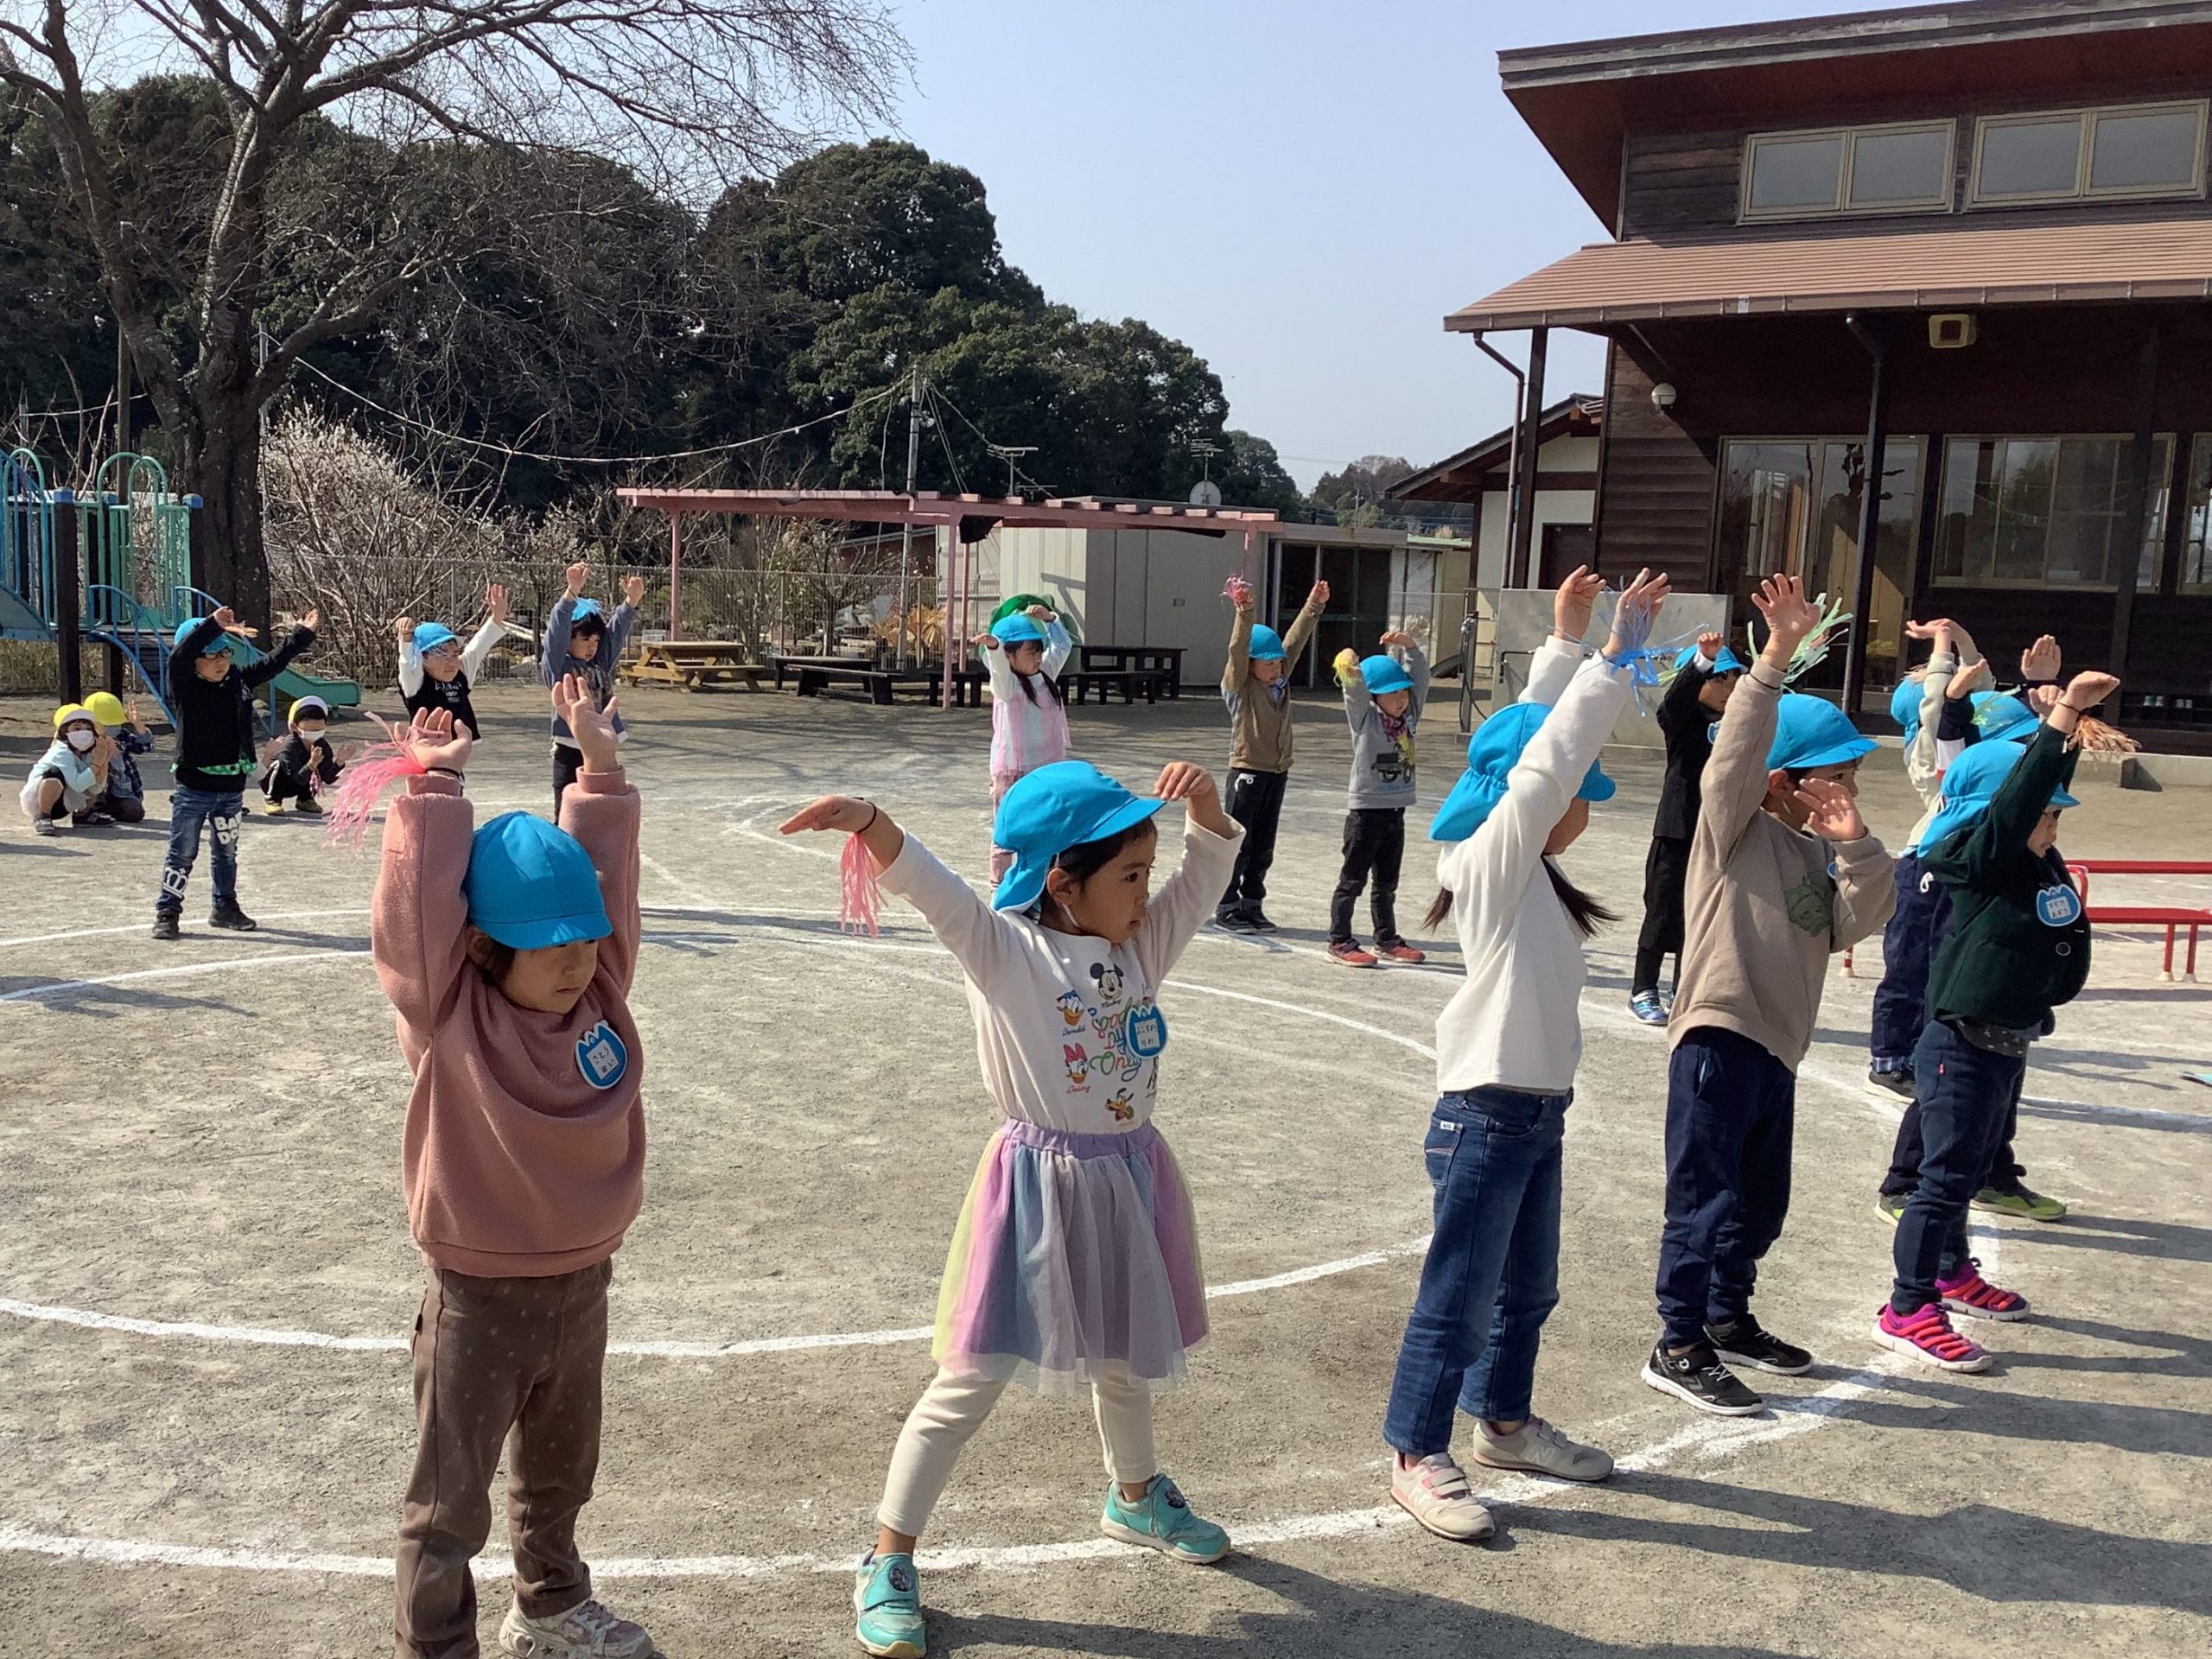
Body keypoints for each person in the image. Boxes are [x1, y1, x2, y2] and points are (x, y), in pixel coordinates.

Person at [780, 758, 1243, 1659]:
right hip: (1038, 1189)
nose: (1146, 894)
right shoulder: (1005, 950)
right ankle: (888, 1557)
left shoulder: (1136, 947)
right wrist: (869, 820)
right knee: (972, 1375)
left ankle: (1135, 1496)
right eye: (1130, 875)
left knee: (1124, 1356)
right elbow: (934, 889)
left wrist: (1205, 806)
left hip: (1128, 1178)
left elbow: (1204, 878)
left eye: (1147, 873)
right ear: (1062, 884)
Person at [365, 683, 655, 1659]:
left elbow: (608, 889)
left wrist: (599, 772)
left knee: (562, 1475)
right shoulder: (451, 1016)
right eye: (546, 944)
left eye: (583, 938)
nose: (575, 960)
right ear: (486, 946)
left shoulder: (600, 995)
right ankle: (436, 1646)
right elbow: (414, 922)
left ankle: (551, 1605)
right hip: (479, 1297)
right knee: (450, 1502)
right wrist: (434, 793)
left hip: (583, 1281)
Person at [1381, 565, 1667, 1543]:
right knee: (1458, 1300)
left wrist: (1564, 642)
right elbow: (1540, 763)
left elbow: (1524, 746)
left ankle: (1502, 1424)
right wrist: (1612, 662)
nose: (1585, 807)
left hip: (1538, 1111)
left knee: (1526, 1290)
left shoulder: (1524, 868)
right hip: (1486, 1113)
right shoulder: (1492, 863)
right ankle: (1416, 1454)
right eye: (1583, 795)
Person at [1643, 574, 1894, 1417]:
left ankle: (1726, 1316)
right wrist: (1775, 657)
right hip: (1720, 1036)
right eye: (1836, 775)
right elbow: (1735, 759)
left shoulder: (1814, 850)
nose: (1847, 788)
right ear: (1783, 780)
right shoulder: (1734, 829)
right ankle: (1677, 1341)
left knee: (1759, 1205)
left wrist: (1857, 847)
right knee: (1703, 1200)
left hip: (1777, 1048)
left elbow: (1848, 925)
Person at [1876, 669, 2113, 1373]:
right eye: (2045, 815)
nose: (2052, 824)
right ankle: (1908, 1305)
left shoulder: (2036, 862)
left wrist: (2065, 733)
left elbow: (2033, 794)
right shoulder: (1981, 860)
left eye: (2057, 816)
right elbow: (2015, 803)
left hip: (2008, 1040)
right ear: (1993, 817)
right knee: (1943, 1181)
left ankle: (1953, 1272)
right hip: (1960, 1043)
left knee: (1975, 1167)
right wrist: (2063, 715)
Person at [1872, 630, 2068, 1224]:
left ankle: (1994, 1173)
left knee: (2003, 1076)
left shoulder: (2026, 831)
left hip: (2009, 990)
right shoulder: (1969, 820)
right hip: (1963, 992)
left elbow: (2044, 771)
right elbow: (1949, 729)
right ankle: (1907, 1182)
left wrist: (2046, 698)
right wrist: (1952, 679)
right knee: (1951, 1071)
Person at [154, 604, 318, 941]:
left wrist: (300, 636)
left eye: (225, 653)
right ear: (194, 659)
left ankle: (224, 906)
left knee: (226, 852)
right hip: (193, 787)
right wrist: (212, 625)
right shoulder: (184, 683)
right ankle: (167, 912)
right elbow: (178, 658)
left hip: (231, 788)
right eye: (211, 655)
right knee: (182, 852)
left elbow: (272, 663)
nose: (221, 661)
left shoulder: (238, 681)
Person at [1630, 631, 1746, 1023]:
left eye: (1733, 678)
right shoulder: (1682, 720)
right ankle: (1643, 988)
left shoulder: (1737, 723)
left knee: (1699, 914)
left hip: (1715, 833)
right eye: (1719, 678)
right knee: (1661, 909)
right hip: (1677, 830)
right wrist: (1702, 662)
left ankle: (1684, 988)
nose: (1729, 686)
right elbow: (1673, 704)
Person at [1214, 575, 1327, 931]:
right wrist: (1245, 611)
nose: (1276, 667)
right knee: (1240, 842)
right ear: (1250, 664)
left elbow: (1295, 641)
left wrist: (1314, 606)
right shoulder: (1239, 686)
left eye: (1278, 662)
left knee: (1263, 845)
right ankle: (1227, 906)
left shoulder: (1280, 681)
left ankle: (1253, 903)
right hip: (1248, 770)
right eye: (1267, 663)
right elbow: (1237, 648)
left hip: (1277, 771)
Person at [1328, 626, 1431, 968]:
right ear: (1374, 697)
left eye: (1402, 691)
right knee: (1353, 880)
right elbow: (1354, 693)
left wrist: (1410, 646)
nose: (1400, 698)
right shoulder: (1366, 720)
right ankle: (1339, 939)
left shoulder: (1410, 718)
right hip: (1366, 813)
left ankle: (1386, 938)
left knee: (1387, 883)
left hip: (1395, 812)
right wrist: (1349, 666)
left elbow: (1421, 678)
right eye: (1391, 693)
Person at [970, 603, 1074, 884]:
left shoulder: (1045, 674)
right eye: (1030, 652)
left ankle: (1042, 886)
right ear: (1009, 655)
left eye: (1038, 651)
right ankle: (1000, 888)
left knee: (1047, 831)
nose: (1038, 657)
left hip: (1046, 771)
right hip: (1013, 773)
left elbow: (1062, 647)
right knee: (1007, 834)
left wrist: (1050, 620)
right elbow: (999, 671)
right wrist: (994, 647)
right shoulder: (1007, 687)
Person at [542, 562, 641, 813]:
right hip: (569, 748)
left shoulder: (599, 664)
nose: (592, 646)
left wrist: (630, 603)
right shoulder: (559, 665)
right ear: (569, 639)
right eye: (585, 638)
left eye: (595, 639)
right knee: (566, 812)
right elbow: (556, 634)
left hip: (600, 748)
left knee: (599, 808)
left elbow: (615, 635)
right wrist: (571, 592)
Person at [397, 582, 510, 740]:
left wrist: (497, 617)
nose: (451, 663)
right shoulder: (416, 683)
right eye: (442, 656)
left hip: (461, 747)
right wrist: (406, 639)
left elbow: (478, 647)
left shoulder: (461, 674)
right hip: (429, 748)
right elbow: (408, 662)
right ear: (422, 659)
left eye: (455, 654)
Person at [20, 703, 113, 835]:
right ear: (65, 732)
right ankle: (43, 816)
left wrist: (104, 760)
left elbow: (96, 789)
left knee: (90, 773)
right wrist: (97, 764)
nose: (84, 732)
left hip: (66, 804)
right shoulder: (60, 751)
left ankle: (83, 815)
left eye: (88, 728)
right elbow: (78, 785)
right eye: (77, 728)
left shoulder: (89, 753)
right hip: (40, 803)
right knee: (54, 773)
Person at [260, 695, 344, 816]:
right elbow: (297, 777)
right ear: (295, 726)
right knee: (278, 765)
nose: (315, 723)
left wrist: (339, 762)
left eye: (319, 720)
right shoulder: (290, 745)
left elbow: (328, 778)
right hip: (284, 783)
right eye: (308, 719)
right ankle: (272, 800)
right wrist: (311, 764)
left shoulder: (322, 745)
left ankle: (305, 799)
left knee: (316, 768)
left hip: (300, 782)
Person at [84, 690, 155, 824]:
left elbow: (145, 746)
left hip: (121, 792)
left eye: (116, 724)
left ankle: (110, 811)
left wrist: (138, 724)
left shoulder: (122, 736)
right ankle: (92, 810)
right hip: (94, 792)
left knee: (135, 812)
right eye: (107, 725)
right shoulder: (84, 740)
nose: (113, 729)